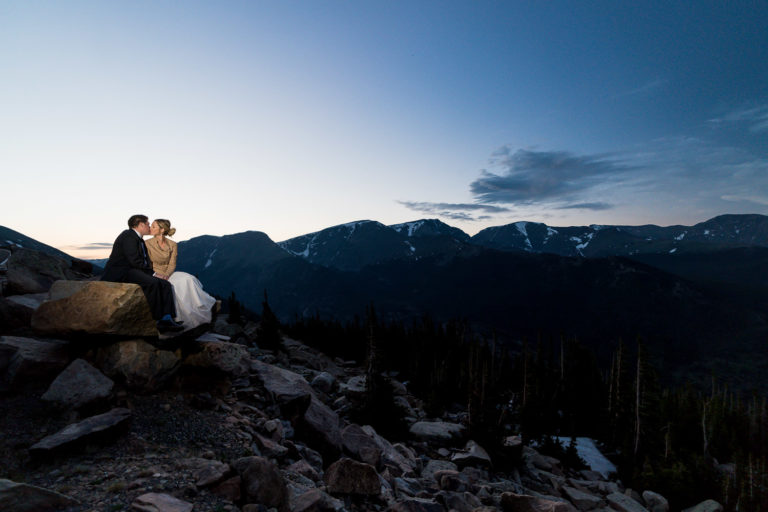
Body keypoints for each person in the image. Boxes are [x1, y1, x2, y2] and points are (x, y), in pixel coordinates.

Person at [101, 215, 183, 332]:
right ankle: (158, 320)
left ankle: (168, 318)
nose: (149, 227)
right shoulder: (128, 236)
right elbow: (134, 261)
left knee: (165, 284)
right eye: (148, 224)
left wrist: (155, 273)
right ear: (141, 225)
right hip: (122, 271)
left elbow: (144, 261)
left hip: (133, 270)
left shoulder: (138, 238)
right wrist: (154, 274)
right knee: (152, 283)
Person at [145, 218, 217, 330]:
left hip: (168, 273)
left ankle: (198, 306)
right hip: (155, 273)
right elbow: (147, 264)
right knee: (174, 286)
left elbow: (172, 263)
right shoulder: (147, 244)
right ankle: (175, 317)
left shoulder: (173, 244)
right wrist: (158, 275)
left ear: (162, 230)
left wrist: (167, 275)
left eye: (153, 226)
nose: (150, 228)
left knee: (189, 279)